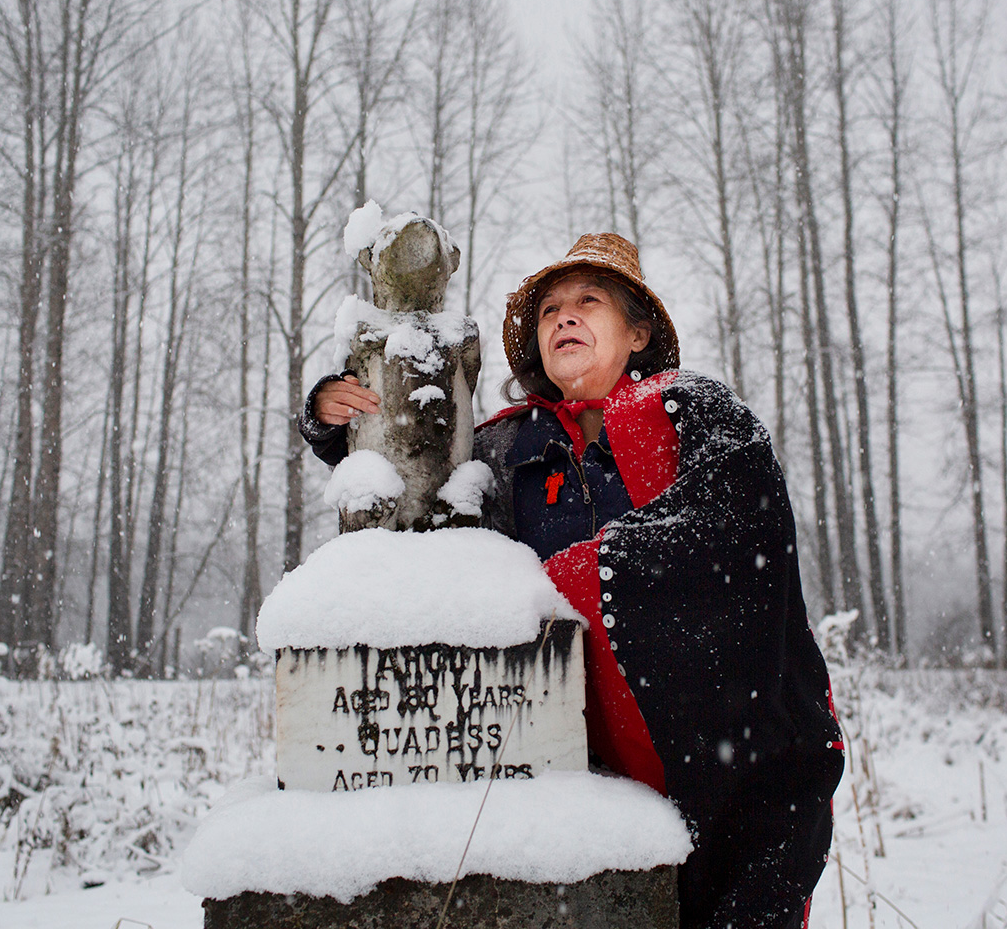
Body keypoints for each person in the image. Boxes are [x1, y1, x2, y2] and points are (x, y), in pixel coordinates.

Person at [300, 233, 845, 929]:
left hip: (719, 759)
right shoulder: (502, 447)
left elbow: (736, 541)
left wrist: (577, 579)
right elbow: (419, 515)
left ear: (638, 331)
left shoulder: (697, 416)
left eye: (589, 300)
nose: (564, 315)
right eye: (550, 307)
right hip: (583, 770)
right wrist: (330, 421)